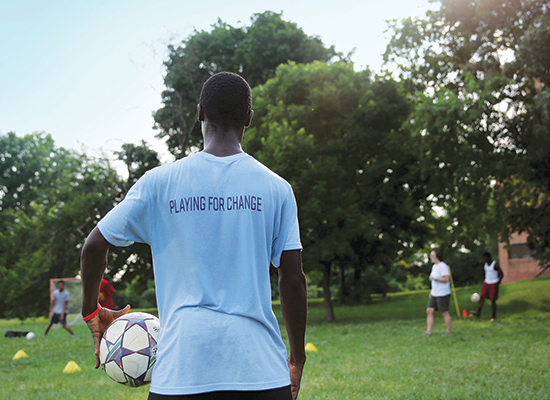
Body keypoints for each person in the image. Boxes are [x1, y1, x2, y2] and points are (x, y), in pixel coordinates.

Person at [80, 71, 307, 400]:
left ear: (200, 112)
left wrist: (91, 310)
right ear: (249, 118)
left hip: (181, 373)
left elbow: (93, 246)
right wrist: (296, 357)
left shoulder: (159, 184)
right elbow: (293, 280)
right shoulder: (276, 188)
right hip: (260, 371)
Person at [423, 250, 452, 336]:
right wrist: (431, 291)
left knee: (444, 312)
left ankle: (448, 331)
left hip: (443, 293)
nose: (430, 257)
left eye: (432, 255)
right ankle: (428, 331)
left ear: (437, 256)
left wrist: (435, 278)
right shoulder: (434, 267)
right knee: (429, 310)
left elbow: (446, 279)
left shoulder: (443, 266)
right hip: (435, 293)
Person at [472, 251, 504, 321]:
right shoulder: (485, 265)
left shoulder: (494, 264)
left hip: (493, 283)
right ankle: (478, 312)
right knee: (482, 297)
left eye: (486, 258)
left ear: (489, 258)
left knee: (492, 300)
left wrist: (498, 282)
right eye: (484, 258)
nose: (485, 260)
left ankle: (494, 315)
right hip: (486, 283)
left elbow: (502, 274)